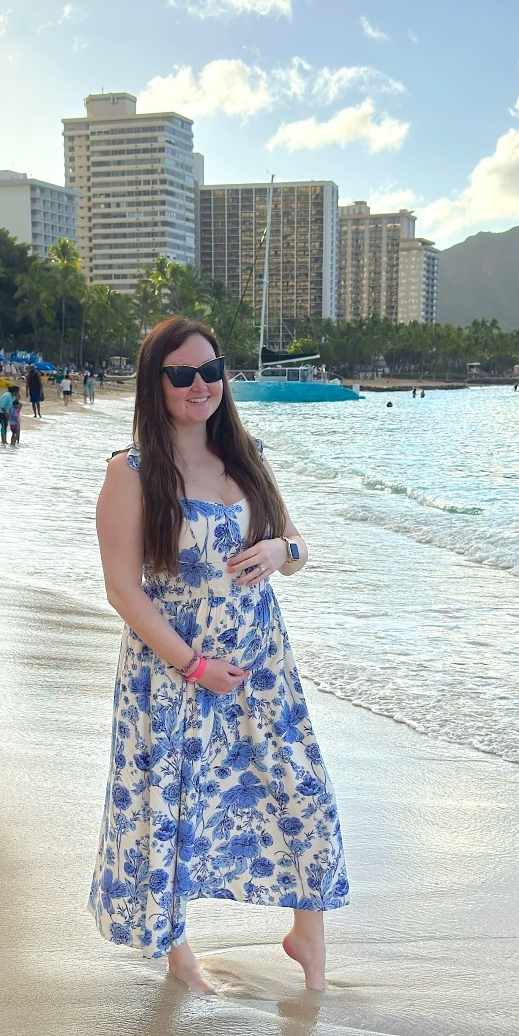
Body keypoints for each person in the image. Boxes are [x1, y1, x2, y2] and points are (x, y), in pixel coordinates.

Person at [90, 317, 347, 994]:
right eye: (181, 374)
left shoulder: (246, 455)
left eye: (210, 370)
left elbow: (297, 549)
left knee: (304, 795)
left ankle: (308, 938)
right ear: (157, 384)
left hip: (264, 668)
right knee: (171, 810)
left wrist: (277, 550)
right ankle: (181, 961)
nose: (199, 385)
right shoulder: (133, 473)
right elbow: (122, 590)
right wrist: (193, 667)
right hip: (173, 675)